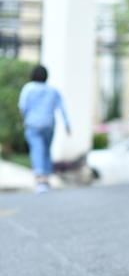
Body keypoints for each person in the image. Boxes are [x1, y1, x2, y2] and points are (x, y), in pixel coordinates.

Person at [19, 65, 70, 194]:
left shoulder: (28, 88)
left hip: (33, 124)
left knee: (37, 150)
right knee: (46, 150)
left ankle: (40, 180)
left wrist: (25, 118)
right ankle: (46, 179)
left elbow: (22, 106)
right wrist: (67, 125)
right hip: (48, 124)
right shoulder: (53, 90)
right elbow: (62, 108)